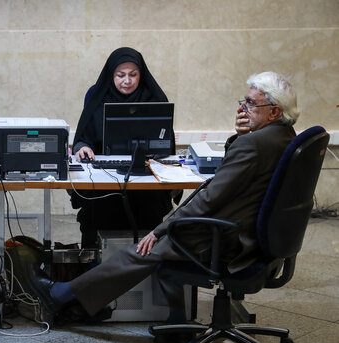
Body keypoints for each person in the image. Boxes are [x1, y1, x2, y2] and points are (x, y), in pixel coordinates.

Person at [27, 71, 300, 325]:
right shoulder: (285, 137)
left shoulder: (255, 144)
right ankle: (89, 303)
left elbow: (211, 198)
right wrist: (241, 136)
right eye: (243, 101)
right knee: (152, 248)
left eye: (251, 103)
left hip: (228, 238)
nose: (242, 109)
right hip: (254, 235)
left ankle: (62, 295)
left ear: (274, 111)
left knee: (144, 249)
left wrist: (161, 230)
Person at [71, 47, 178, 248]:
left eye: (133, 75)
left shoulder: (153, 95)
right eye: (120, 75)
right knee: (97, 211)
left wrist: (155, 150)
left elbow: (166, 141)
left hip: (144, 176)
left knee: (148, 207)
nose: (127, 81)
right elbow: (83, 137)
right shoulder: (98, 94)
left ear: (141, 74)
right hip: (104, 177)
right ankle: (95, 263)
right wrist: (83, 147)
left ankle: (145, 264)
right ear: (111, 74)